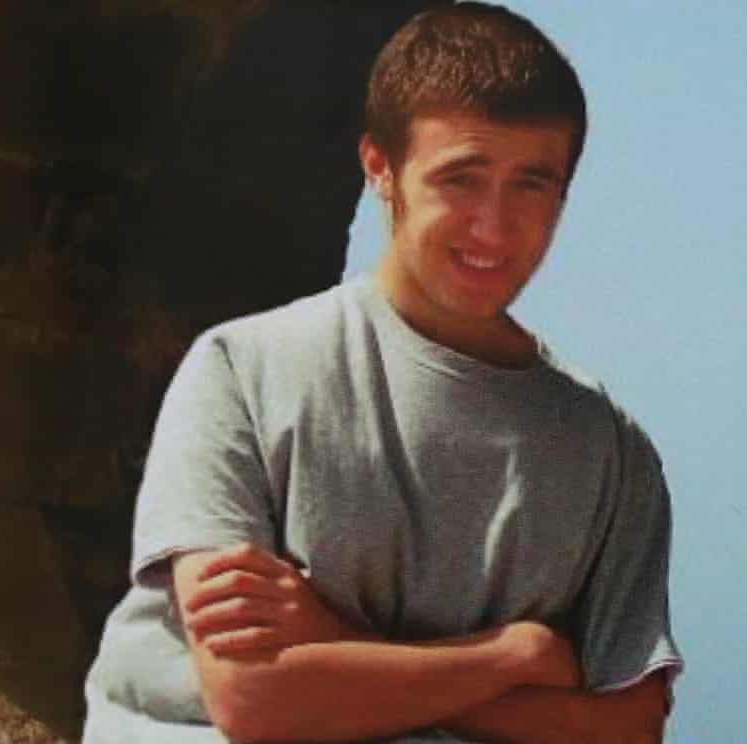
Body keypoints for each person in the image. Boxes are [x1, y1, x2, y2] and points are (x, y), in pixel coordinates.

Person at [82, 3, 683, 742]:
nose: (494, 227)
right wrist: (511, 657)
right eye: (462, 178)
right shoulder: (240, 371)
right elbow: (254, 699)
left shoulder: (612, 455)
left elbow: (629, 730)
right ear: (379, 168)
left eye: (531, 183)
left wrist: (331, 638)